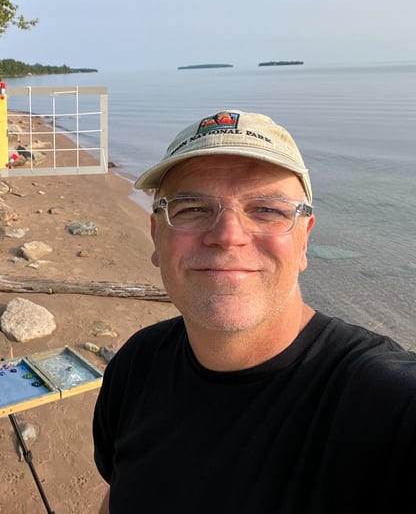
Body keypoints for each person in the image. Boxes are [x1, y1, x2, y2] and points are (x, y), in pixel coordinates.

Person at [92, 110, 416, 513]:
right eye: (192, 208)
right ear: (157, 235)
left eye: (267, 210)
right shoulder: (137, 365)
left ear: (304, 241)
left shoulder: (385, 403)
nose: (228, 235)